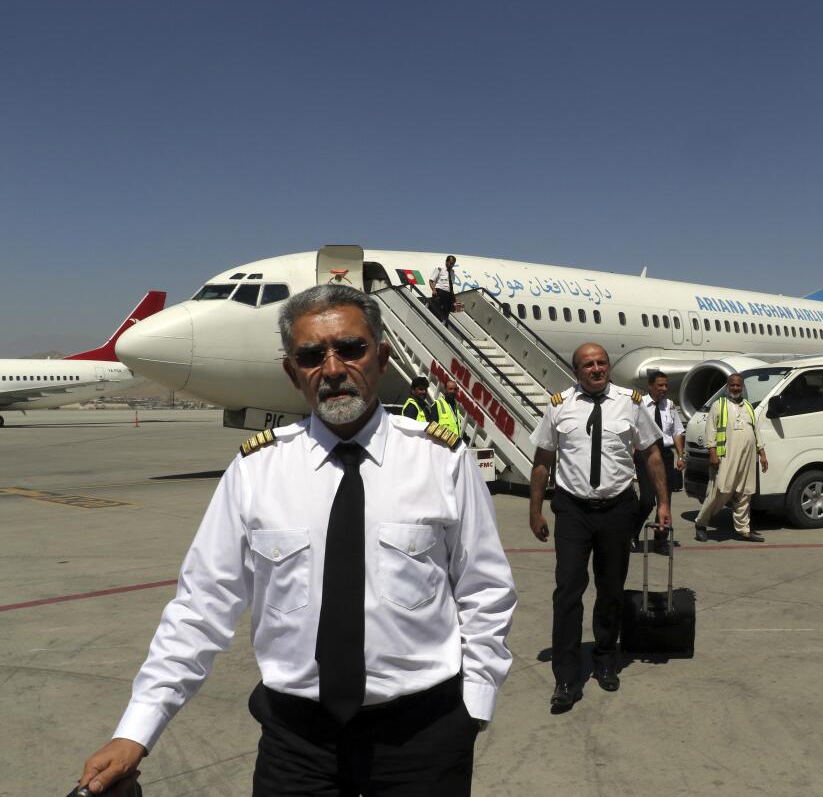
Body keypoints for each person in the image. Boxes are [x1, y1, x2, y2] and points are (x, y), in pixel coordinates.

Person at [76, 284, 516, 797]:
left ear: (382, 359)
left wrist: (475, 707)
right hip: (297, 744)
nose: (332, 369)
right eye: (311, 355)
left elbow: (485, 591)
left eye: (351, 348)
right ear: (293, 372)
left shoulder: (442, 462)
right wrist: (136, 729)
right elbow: (200, 609)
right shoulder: (254, 473)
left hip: (422, 740)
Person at [528, 343, 669, 706]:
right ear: (576, 371)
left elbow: (652, 453)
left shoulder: (632, 402)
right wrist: (535, 509)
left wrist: (664, 502)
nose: (596, 369)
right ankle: (566, 677)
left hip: (618, 508)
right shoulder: (559, 405)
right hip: (573, 509)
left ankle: (607, 661)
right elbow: (543, 459)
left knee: (610, 589)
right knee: (568, 591)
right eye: (588, 364)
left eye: (601, 363)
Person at [694, 373, 769, 542]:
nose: (736, 388)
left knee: (745, 492)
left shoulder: (748, 406)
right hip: (726, 456)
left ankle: (743, 529)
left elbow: (756, 431)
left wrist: (762, 454)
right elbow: (711, 431)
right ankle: (701, 523)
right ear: (727, 387)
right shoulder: (718, 405)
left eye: (738, 386)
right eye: (732, 385)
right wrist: (712, 453)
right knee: (719, 491)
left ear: (743, 387)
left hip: (747, 457)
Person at [633, 370, 685, 555]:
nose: (664, 389)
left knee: (665, 500)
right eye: (660, 385)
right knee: (647, 500)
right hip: (645, 454)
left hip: (665, 454)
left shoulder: (670, 406)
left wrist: (680, 455)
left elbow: (677, 431)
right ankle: (633, 533)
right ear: (650, 386)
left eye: (666, 385)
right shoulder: (639, 404)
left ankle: (660, 540)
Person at [429, 254, 458, 322]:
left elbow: (451, 286)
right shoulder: (439, 269)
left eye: (453, 264)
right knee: (437, 312)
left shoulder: (452, 272)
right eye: (450, 263)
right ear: (446, 262)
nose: (451, 265)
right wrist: (433, 290)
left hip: (448, 295)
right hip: (439, 292)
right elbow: (430, 281)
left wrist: (454, 299)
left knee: (446, 314)